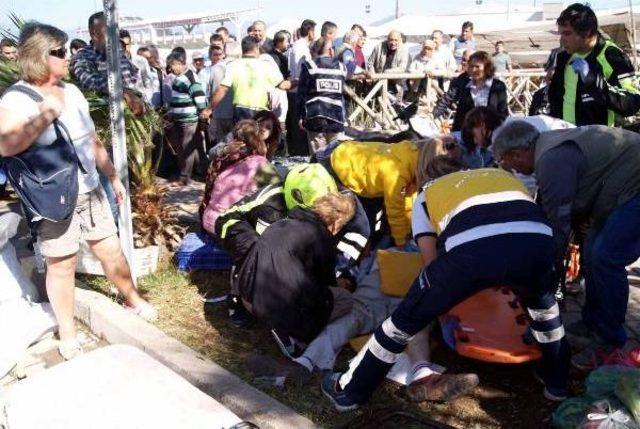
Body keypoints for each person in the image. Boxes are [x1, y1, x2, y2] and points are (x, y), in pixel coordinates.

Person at [322, 161, 571, 411]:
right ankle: (557, 383)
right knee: (546, 316)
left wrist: (440, 300)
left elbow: (431, 262)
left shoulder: (427, 193)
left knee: (400, 324)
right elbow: (514, 227)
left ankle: (348, 391)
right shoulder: (501, 174)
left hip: (472, 252)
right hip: (539, 243)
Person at [0, 22, 157, 360]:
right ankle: (68, 333)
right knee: (62, 263)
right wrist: (43, 117)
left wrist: (112, 176)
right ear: (40, 56)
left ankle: (132, 297)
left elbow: (91, 139)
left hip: (89, 186)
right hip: (53, 194)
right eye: (59, 51)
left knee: (111, 248)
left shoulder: (71, 91)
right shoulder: (16, 98)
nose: (67, 57)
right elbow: (7, 145)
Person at [492, 121, 640, 371]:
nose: (514, 170)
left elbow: (557, 228)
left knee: (605, 257)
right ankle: (593, 321)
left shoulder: (551, 160)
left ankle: (609, 341)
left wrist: (546, 275)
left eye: (509, 163)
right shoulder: (548, 147)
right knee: (592, 252)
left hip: (635, 187)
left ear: (517, 153)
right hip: (625, 183)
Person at [216, 183, 356, 343]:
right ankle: (293, 335)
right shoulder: (322, 239)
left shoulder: (282, 222)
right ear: (337, 221)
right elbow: (326, 284)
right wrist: (341, 283)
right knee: (345, 299)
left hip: (247, 297)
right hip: (273, 308)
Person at [316, 138, 448, 248]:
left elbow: (407, 200)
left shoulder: (411, 155)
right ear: (428, 166)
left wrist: (408, 231)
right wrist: (401, 243)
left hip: (349, 153)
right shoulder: (397, 174)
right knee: (363, 228)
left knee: (375, 220)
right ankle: (346, 261)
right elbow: (395, 209)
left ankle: (372, 246)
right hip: (340, 167)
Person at [548, 3, 640, 126]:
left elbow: (632, 102)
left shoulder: (613, 55)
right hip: (564, 136)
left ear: (587, 32)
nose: (561, 40)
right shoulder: (563, 55)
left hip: (597, 140)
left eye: (567, 33)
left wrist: (595, 82)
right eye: (560, 34)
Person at [200, 120, 277, 236]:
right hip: (229, 229)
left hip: (208, 222)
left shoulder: (222, 158)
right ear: (258, 139)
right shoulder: (260, 163)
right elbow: (277, 192)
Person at [204, 36, 292, 124]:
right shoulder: (266, 65)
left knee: (243, 137)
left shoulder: (233, 65)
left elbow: (222, 89)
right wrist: (298, 81)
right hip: (260, 110)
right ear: (256, 48)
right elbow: (283, 85)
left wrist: (209, 109)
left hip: (240, 110)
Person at [435, 51, 508, 132]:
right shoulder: (463, 81)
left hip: (491, 133)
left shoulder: (498, 86)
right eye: (471, 66)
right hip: (465, 133)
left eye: (477, 66)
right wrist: (434, 114)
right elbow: (448, 98)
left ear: (487, 68)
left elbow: (503, 112)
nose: (473, 70)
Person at [297, 39, 348, 154]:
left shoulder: (309, 66)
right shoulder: (342, 67)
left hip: (315, 116)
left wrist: (300, 116)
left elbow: (301, 94)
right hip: (336, 116)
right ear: (331, 50)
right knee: (336, 155)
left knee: (317, 157)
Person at [70, 12, 139, 97]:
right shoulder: (83, 57)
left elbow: (134, 78)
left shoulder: (119, 53)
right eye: (109, 30)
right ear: (93, 33)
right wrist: (124, 92)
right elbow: (90, 81)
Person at [166, 52, 207, 185]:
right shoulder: (179, 78)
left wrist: (203, 116)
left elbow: (199, 97)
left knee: (186, 148)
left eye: (172, 65)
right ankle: (203, 172)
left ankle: (185, 178)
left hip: (189, 120)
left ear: (180, 63)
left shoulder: (190, 77)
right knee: (195, 147)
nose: (171, 69)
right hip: (180, 120)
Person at [287, 19, 316, 156]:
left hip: (295, 89)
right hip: (298, 90)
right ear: (310, 32)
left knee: (297, 125)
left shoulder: (296, 46)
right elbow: (301, 70)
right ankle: (300, 155)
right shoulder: (301, 47)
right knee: (299, 126)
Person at [198, 35, 234, 145]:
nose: (217, 56)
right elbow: (204, 93)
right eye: (215, 54)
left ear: (224, 53)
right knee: (219, 146)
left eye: (220, 53)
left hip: (231, 114)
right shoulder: (205, 72)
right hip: (216, 115)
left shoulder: (230, 67)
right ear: (210, 55)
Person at [367, 30, 411, 99]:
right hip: (378, 84)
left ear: (400, 40)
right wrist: (371, 73)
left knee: (395, 106)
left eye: (396, 40)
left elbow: (403, 68)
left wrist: (386, 72)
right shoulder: (378, 47)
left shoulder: (404, 50)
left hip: (396, 85)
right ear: (387, 39)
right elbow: (370, 63)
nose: (393, 43)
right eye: (391, 40)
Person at [139, 44, 165, 109]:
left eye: (148, 58)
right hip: (146, 110)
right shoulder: (138, 72)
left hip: (160, 109)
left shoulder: (159, 71)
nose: (145, 61)